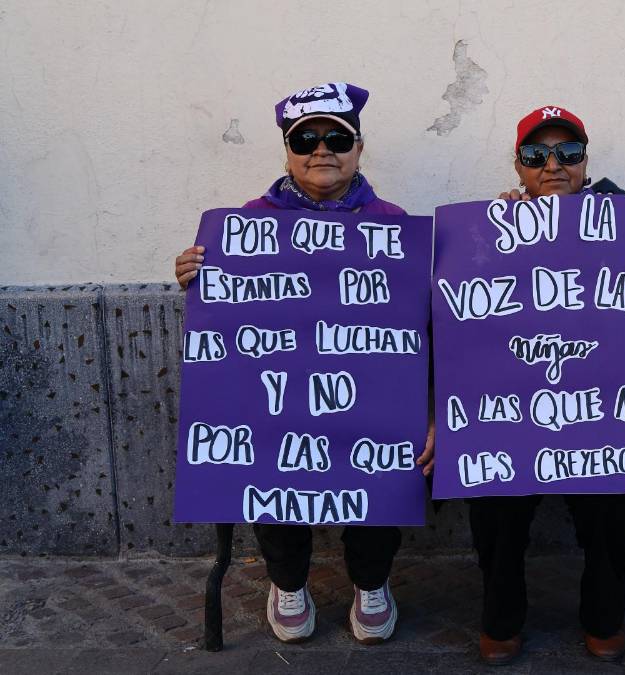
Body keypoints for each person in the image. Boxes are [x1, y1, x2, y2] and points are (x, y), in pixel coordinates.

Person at [173, 82, 433, 645]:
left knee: (378, 479)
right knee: (275, 476)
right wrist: (198, 275)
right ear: (287, 151)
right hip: (278, 395)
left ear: (359, 149)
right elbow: (228, 317)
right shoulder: (247, 224)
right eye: (306, 138)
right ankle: (287, 582)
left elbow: (418, 318)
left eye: (337, 138)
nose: (322, 150)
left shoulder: (392, 222)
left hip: (369, 396)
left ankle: (372, 583)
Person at [471, 105, 625, 665]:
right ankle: (501, 616)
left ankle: (604, 613)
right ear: (518, 166)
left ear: (585, 162)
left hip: (602, 410)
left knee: (613, 503)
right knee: (494, 500)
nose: (553, 164)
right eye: (536, 154)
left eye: (568, 153)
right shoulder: (484, 231)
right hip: (510, 409)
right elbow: (458, 325)